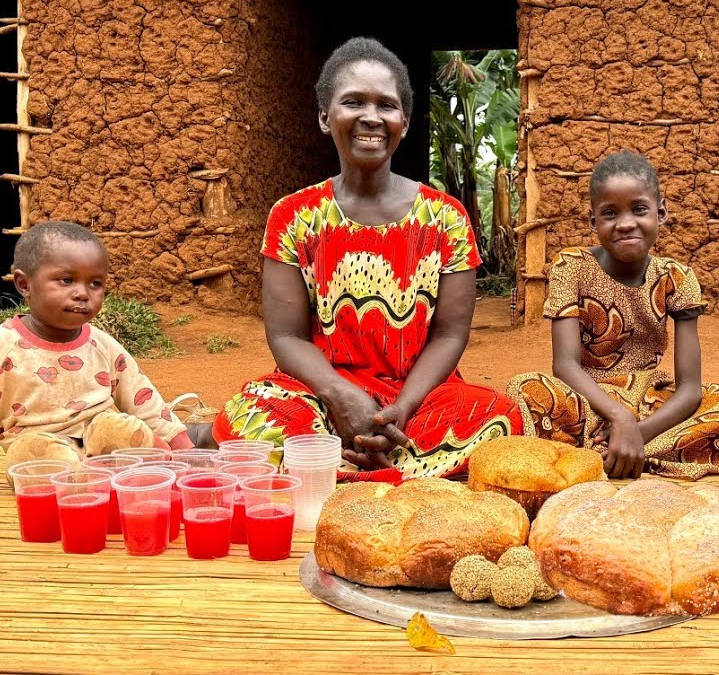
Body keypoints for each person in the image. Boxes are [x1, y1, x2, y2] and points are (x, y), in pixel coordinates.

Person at [210, 36, 520, 483]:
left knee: (497, 418)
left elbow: (450, 335)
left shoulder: (446, 218)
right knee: (254, 416)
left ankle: (334, 464)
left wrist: (401, 409)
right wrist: (340, 396)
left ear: (404, 123)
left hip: (416, 397)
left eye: (387, 105)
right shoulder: (294, 216)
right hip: (320, 390)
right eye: (353, 101)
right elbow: (286, 336)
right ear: (325, 117)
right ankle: (399, 469)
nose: (371, 116)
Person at [506, 150, 719, 478]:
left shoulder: (676, 277)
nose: (625, 223)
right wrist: (620, 417)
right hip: (589, 401)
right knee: (527, 388)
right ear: (593, 221)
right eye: (610, 213)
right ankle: (630, 448)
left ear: (661, 213)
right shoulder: (571, 266)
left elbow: (689, 390)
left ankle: (612, 450)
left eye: (639, 209)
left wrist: (639, 431)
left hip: (652, 405)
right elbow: (565, 365)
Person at [0, 222, 193, 503]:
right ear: (24, 284)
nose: (83, 293)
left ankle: (150, 471)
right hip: (36, 443)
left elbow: (141, 397)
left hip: (98, 441)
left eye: (95, 283)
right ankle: (94, 480)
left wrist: (183, 449)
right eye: (66, 280)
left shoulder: (102, 344)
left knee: (119, 427)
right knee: (29, 450)